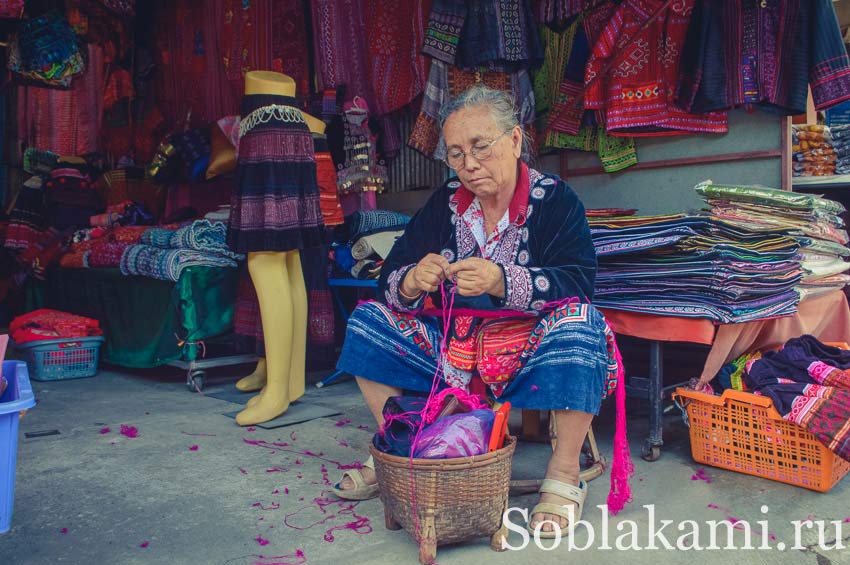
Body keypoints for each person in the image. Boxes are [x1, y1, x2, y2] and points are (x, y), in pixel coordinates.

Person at [331, 84, 628, 537]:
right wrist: (411, 280)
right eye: (454, 153)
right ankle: (403, 444)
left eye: (480, 147)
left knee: (582, 324)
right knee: (368, 320)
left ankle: (563, 473)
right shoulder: (445, 203)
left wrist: (501, 281)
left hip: (528, 346)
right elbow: (388, 277)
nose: (468, 165)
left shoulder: (556, 201)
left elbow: (578, 282)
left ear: (514, 140)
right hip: (451, 349)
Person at [227, 71, 325, 425]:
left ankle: (278, 392)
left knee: (266, 262)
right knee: (288, 259)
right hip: (291, 119)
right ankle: (291, 382)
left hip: (265, 121)